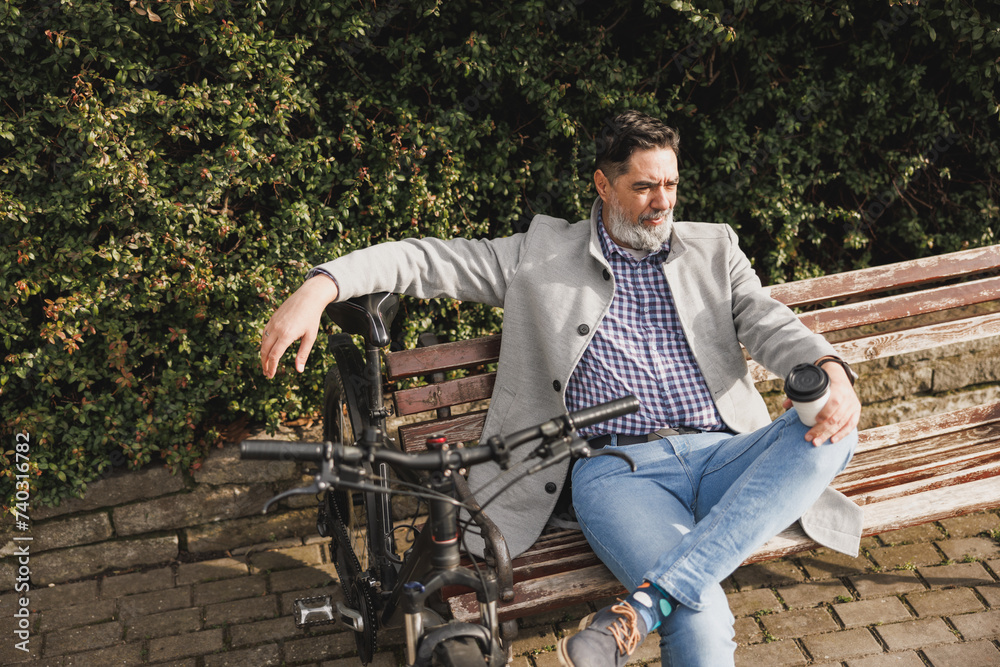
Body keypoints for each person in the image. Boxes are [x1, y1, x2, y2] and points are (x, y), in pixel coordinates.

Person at [259, 110, 862, 667]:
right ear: (603, 185)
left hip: (724, 451)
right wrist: (322, 285)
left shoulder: (714, 247)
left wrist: (827, 365)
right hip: (619, 473)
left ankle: (641, 610)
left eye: (671, 186)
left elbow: (766, 318)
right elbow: (425, 260)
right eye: (644, 187)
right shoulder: (541, 257)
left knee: (834, 426)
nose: (662, 204)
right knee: (702, 612)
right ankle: (661, 603)